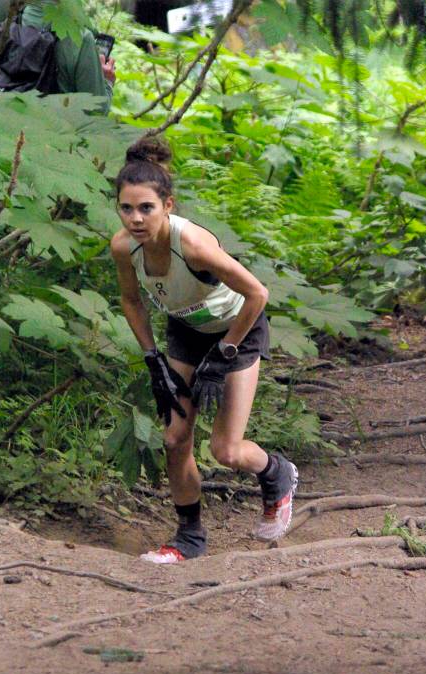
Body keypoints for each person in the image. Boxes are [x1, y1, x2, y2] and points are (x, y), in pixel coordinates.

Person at [109, 137, 299, 564]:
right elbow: (131, 300)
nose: (136, 219)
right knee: (175, 438)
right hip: (187, 331)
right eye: (126, 208)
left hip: (239, 330)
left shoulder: (191, 245)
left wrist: (225, 355)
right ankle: (189, 537)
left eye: (146, 208)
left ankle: (276, 472)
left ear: (168, 206)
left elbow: (257, 294)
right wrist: (152, 357)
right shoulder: (123, 247)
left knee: (226, 450)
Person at [0, 0, 116, 112]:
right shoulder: (80, 38)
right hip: (56, 145)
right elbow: (96, 111)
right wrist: (107, 82)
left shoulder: (11, 22)